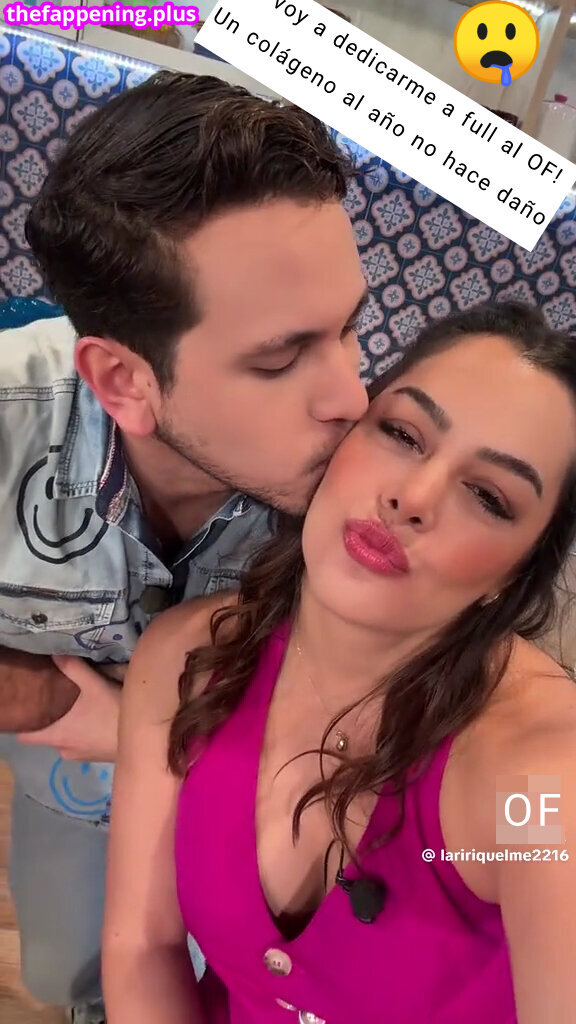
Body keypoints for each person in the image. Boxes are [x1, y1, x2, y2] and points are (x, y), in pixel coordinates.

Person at [0, 70, 368, 1023]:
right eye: (281, 358)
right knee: (70, 978)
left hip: (256, 806)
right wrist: (42, 696)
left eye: (351, 330)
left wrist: (124, 722)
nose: (353, 399)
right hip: (65, 787)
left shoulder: (375, 471)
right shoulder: (8, 427)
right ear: (124, 380)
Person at [104, 301, 576, 1024]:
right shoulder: (186, 659)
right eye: (402, 434)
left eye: (488, 496)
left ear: (513, 575)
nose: (412, 497)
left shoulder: (541, 782)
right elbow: (143, 948)